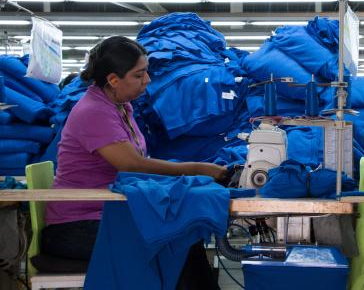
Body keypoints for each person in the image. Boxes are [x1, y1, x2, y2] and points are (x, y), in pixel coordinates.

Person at [42, 36, 226, 287]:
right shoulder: (93, 111)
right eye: (139, 75)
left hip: (108, 212)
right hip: (75, 226)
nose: (147, 81)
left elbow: (140, 161)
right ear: (113, 80)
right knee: (173, 242)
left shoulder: (121, 106)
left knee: (186, 236)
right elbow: (133, 165)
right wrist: (197, 169)